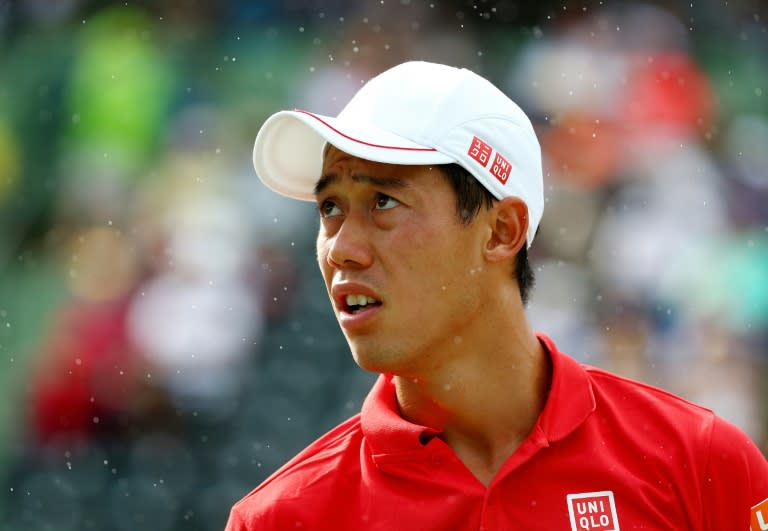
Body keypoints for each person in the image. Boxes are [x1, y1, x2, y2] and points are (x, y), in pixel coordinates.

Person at [226, 61, 768, 530]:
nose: (341, 248)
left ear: (503, 230)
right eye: (330, 209)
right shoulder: (279, 519)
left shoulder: (701, 464)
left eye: (384, 201)